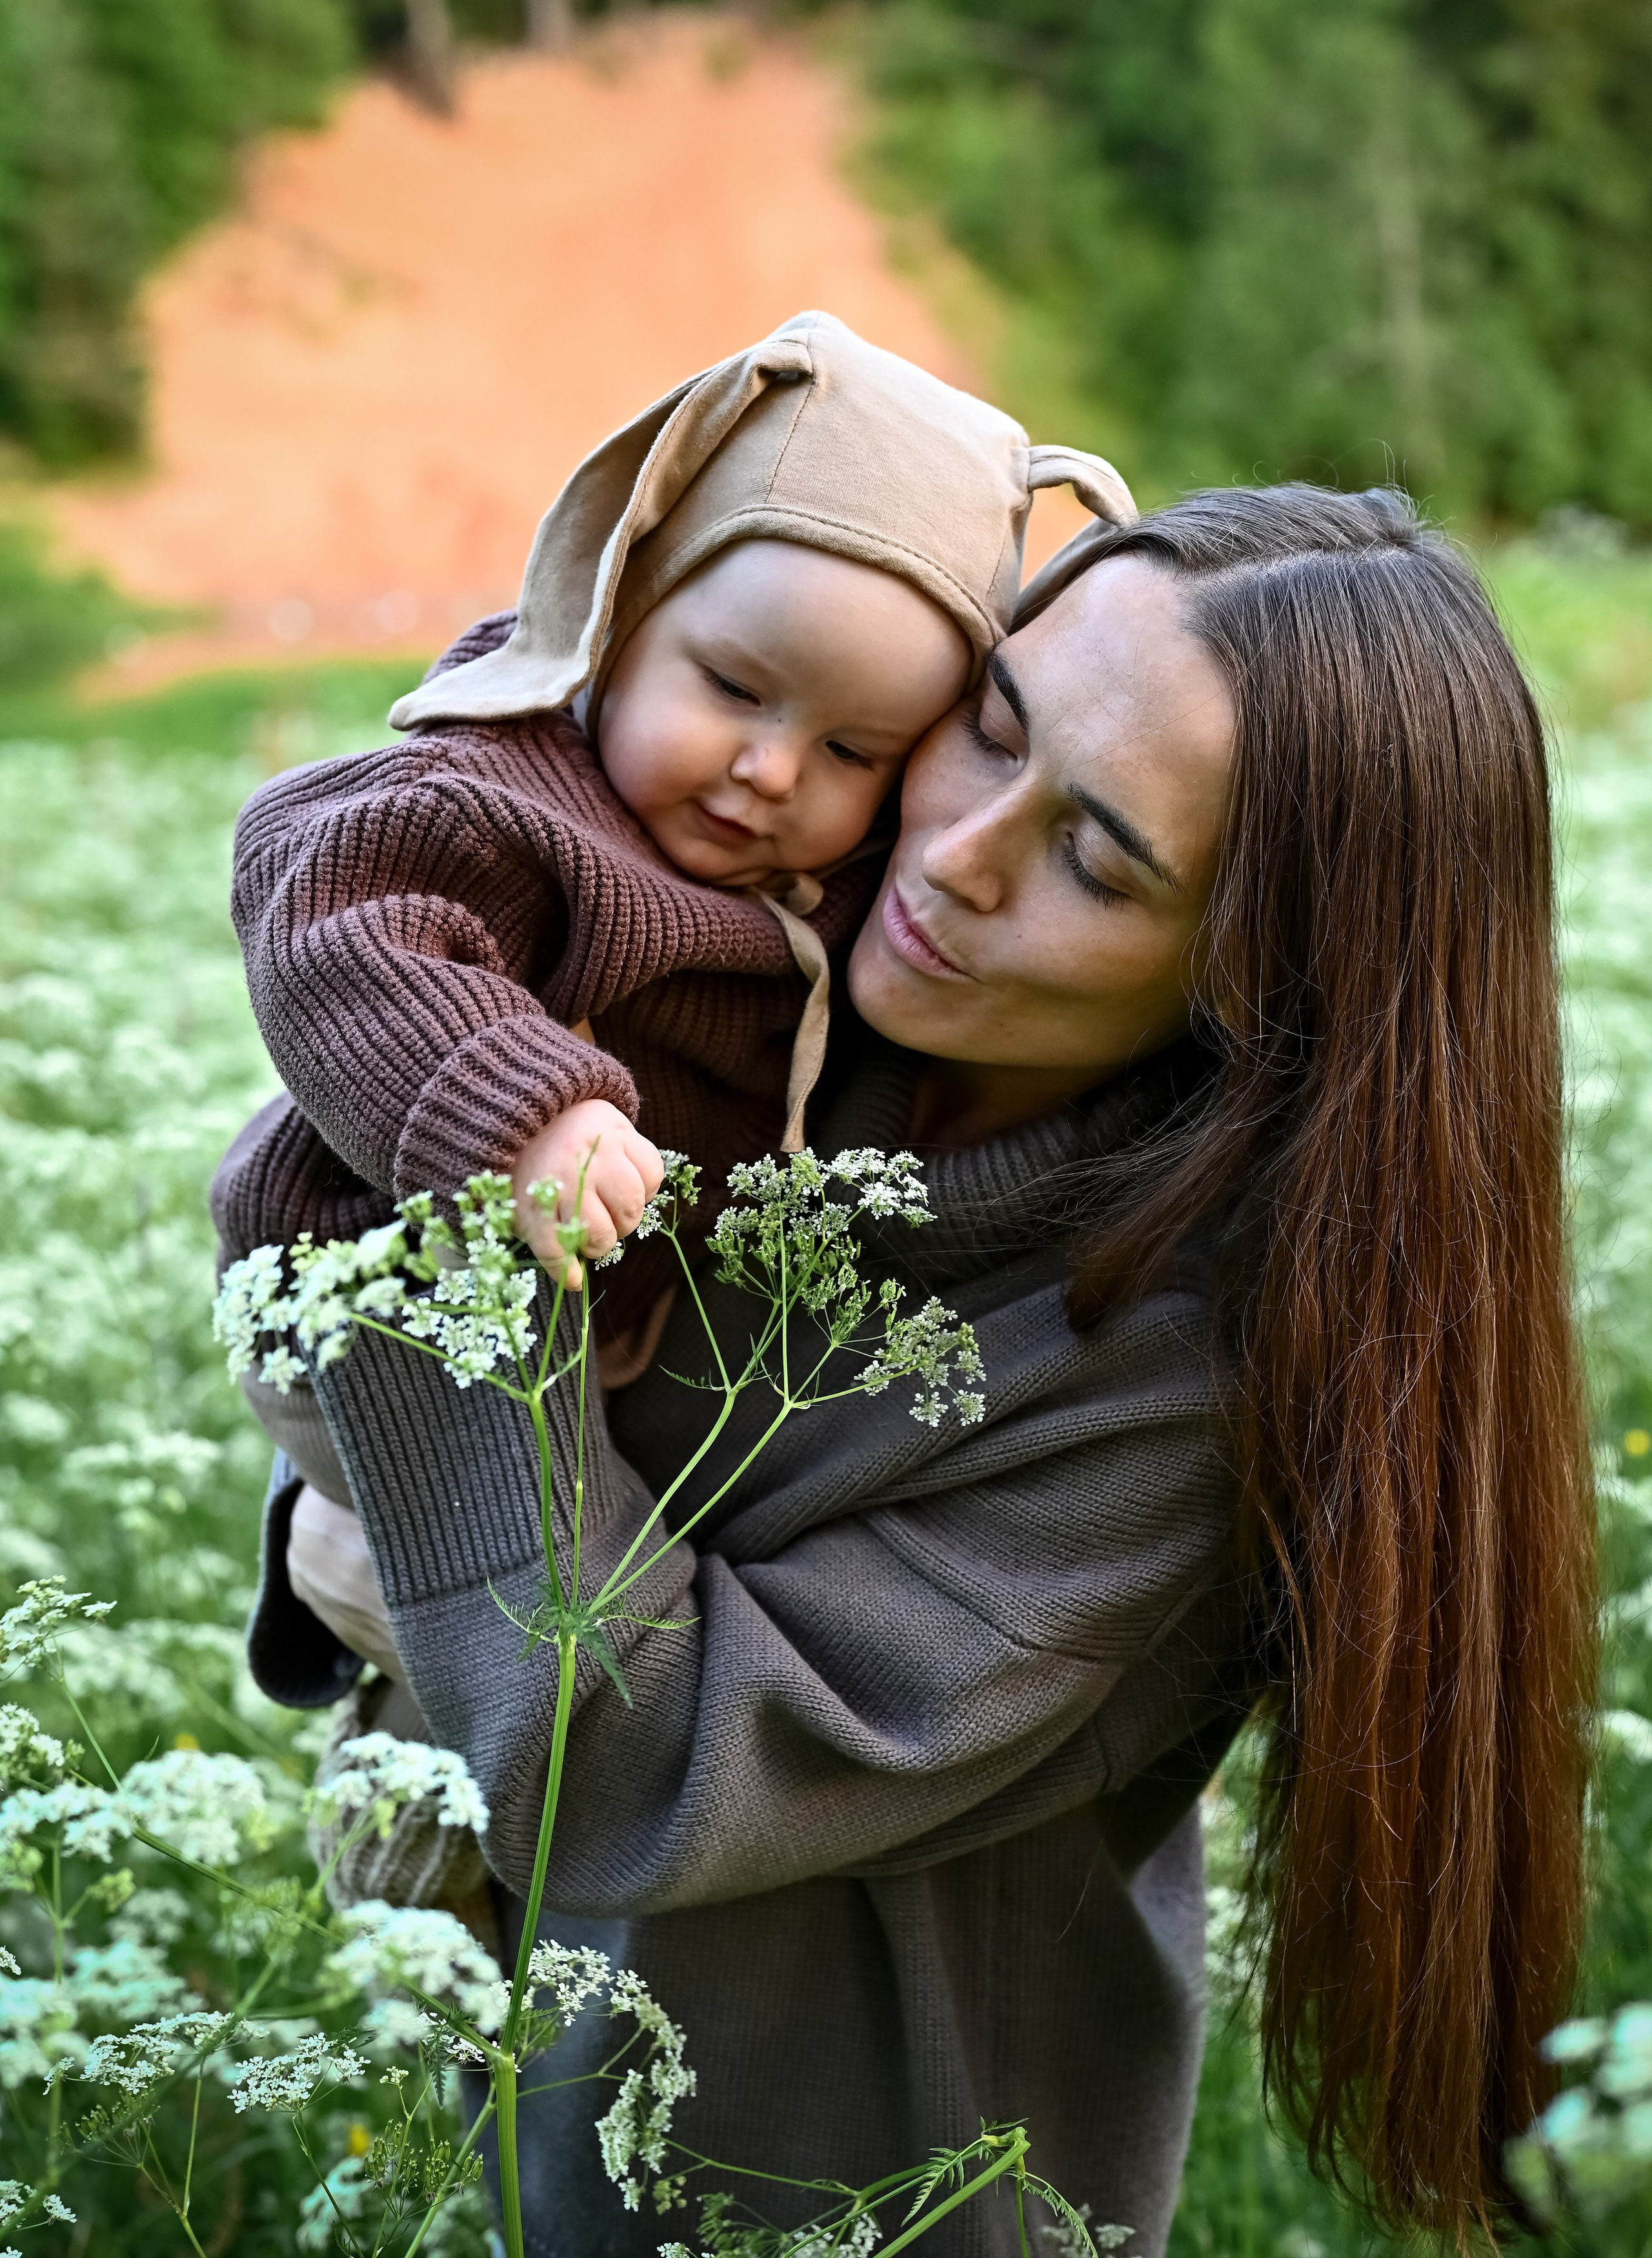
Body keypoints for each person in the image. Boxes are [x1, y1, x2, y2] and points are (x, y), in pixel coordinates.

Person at [247, 485, 1594, 2255]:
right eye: (992, 728)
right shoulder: (765, 1063)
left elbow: (624, 1766)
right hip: (526, 2152)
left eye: (1098, 861)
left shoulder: (1197, 1394)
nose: (958, 852)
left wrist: (427, 1279)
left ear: (1262, 980)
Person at [212, 308, 1133, 1666]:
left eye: (853, 750)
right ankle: (372, 1651)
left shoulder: (835, 879)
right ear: (622, 610)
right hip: (377, 1296)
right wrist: (531, 1113)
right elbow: (339, 920)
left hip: (604, 1342)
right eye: (733, 687)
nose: (771, 770)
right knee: (467, 1627)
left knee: (584, 1632)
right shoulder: (494, 794)